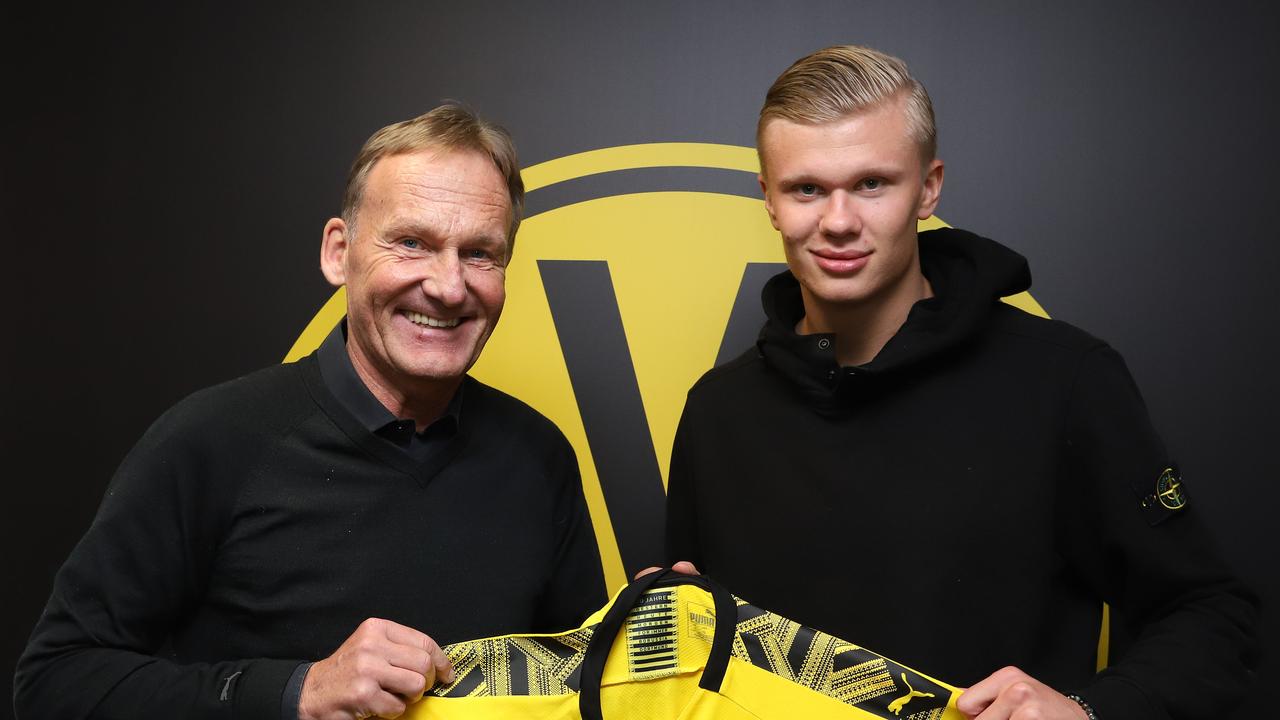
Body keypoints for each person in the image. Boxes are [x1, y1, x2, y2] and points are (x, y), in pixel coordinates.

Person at [664, 46, 1257, 720]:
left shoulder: (1062, 379)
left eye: (871, 184)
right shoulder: (718, 411)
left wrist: (1092, 712)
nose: (836, 221)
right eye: (806, 188)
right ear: (768, 198)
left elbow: (1210, 613)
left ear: (929, 187)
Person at [15, 104, 606, 720]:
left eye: (480, 253)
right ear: (338, 252)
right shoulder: (211, 440)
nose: (450, 286)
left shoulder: (539, 456)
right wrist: (297, 692)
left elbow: (581, 687)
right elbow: (56, 682)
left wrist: (647, 636)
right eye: (411, 243)